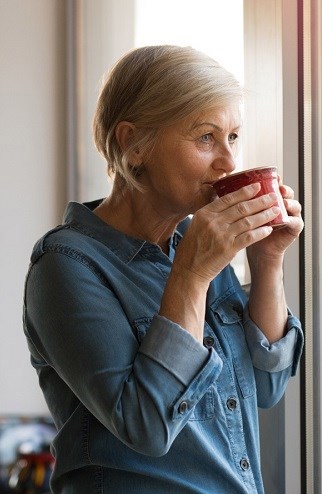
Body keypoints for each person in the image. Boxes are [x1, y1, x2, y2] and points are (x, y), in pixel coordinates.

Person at [23, 45, 304, 493]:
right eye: (205, 138)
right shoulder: (66, 266)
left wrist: (267, 261)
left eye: (232, 137)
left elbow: (266, 386)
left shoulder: (194, 244)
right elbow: (148, 427)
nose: (229, 162)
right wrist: (191, 277)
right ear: (132, 145)